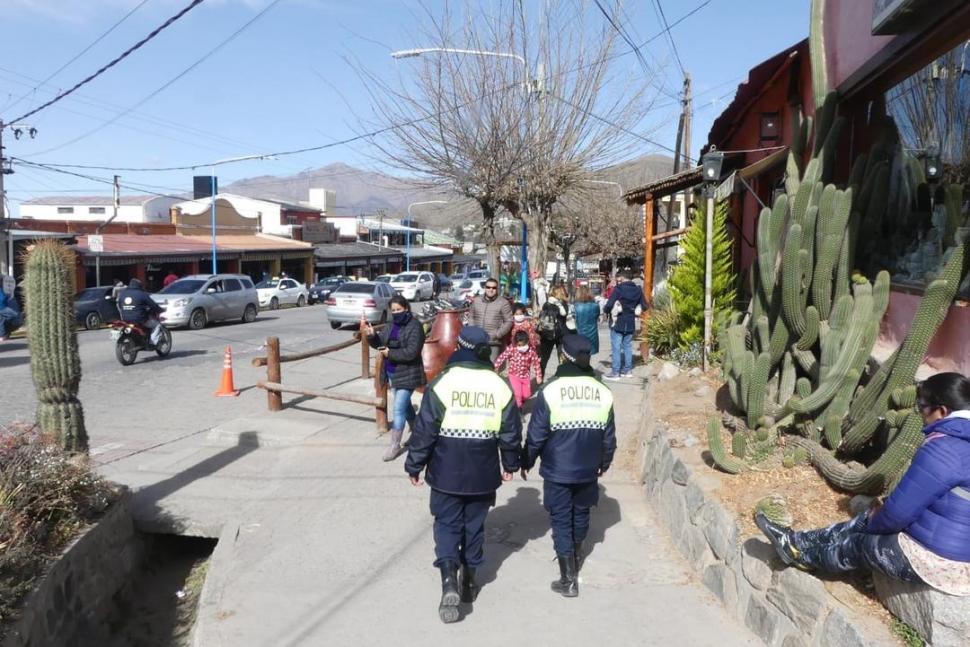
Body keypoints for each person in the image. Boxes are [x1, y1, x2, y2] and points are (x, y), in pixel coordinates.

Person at [757, 372, 970, 595]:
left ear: (943, 411)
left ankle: (802, 556)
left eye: (922, 407)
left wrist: (874, 523)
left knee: (860, 544)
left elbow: (898, 514)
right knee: (869, 518)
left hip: (939, 561)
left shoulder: (944, 448)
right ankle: (797, 541)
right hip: (956, 555)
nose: (920, 413)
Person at [404, 326, 522, 624]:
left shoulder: (443, 382)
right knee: (474, 526)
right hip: (483, 474)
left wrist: (414, 464)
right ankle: (469, 582)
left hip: (445, 472)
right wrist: (510, 464)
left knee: (446, 526)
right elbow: (510, 431)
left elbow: (425, 429)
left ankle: (448, 582)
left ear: (460, 346)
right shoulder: (499, 385)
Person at [522, 334, 616, 597]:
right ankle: (576, 555)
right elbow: (609, 435)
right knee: (582, 512)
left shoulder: (551, 390)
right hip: (588, 468)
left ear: (563, 356)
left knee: (561, 519)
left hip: (557, 469)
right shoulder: (602, 392)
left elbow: (537, 433)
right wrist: (604, 462)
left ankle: (568, 578)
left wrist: (526, 459)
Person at [365, 295, 426, 461]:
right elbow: (380, 343)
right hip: (391, 371)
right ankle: (417, 430)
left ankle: (394, 445)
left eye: (399, 309)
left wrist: (390, 353)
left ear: (406, 308)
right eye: (393, 310)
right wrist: (372, 336)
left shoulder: (415, 326)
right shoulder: (391, 325)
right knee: (405, 405)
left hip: (409, 372)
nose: (396, 313)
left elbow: (412, 352)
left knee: (398, 408)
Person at [602, 271, 648, 381]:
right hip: (630, 321)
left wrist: (607, 310)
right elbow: (645, 306)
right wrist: (636, 309)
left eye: (618, 278)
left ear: (621, 277)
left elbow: (609, 305)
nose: (617, 280)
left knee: (616, 347)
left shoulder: (619, 289)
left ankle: (615, 372)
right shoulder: (638, 290)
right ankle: (628, 370)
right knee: (628, 346)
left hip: (618, 321)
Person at [494, 330, 543, 408]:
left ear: (527, 342)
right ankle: (518, 409)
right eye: (519, 345)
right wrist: (496, 366)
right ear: (516, 343)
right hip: (514, 375)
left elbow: (536, 363)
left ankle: (518, 401)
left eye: (524, 345)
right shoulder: (512, 348)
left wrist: (538, 375)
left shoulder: (531, 351)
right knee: (518, 394)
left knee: (527, 395)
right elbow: (502, 356)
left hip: (525, 376)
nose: (522, 347)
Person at [468, 277, 513, 361]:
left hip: (493, 343)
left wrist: (497, 335)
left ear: (497, 289)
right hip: (477, 341)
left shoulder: (503, 303)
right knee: (476, 367)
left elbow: (509, 321)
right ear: (485, 288)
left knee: (490, 368)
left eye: (494, 288)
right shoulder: (477, 301)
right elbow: (471, 317)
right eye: (488, 287)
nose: (491, 290)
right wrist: (473, 332)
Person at [117, 278, 164, 346]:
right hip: (140, 319)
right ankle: (152, 342)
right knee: (157, 325)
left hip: (125, 319)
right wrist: (160, 310)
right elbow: (153, 305)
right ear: (139, 285)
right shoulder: (142, 294)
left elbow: (120, 305)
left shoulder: (123, 294)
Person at [537, 285, 569, 377]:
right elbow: (564, 316)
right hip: (560, 334)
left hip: (547, 334)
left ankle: (540, 379)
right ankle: (563, 378)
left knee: (543, 359)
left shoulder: (547, 304)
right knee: (562, 359)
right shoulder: (563, 305)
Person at [572, 286, 600, 357]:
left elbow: (571, 321)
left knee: (579, 357)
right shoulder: (596, 306)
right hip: (592, 334)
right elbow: (597, 317)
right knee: (588, 356)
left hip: (579, 334)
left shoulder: (575, 306)